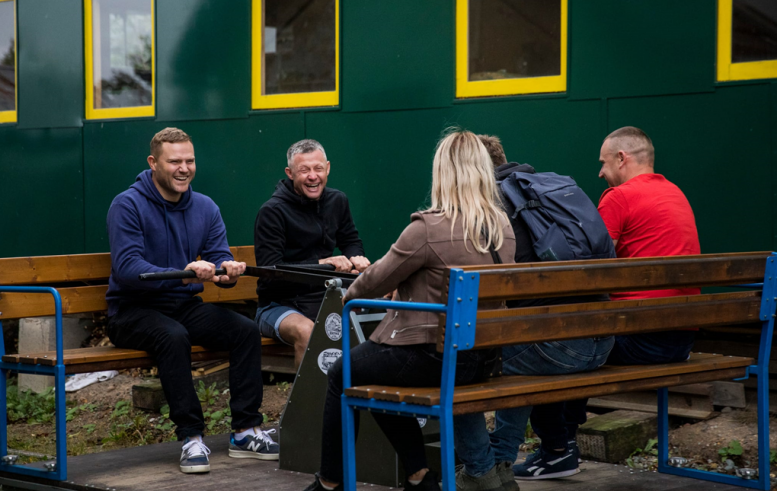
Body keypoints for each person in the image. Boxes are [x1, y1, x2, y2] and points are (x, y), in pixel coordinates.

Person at [303, 130, 517, 491]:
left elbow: (372, 281)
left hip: (437, 357)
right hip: (482, 358)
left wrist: (348, 295)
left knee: (344, 371)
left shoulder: (429, 227)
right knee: (374, 371)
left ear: (442, 173)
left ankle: (329, 483)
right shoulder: (501, 226)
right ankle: (419, 477)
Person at [106, 127, 279, 475]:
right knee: (172, 336)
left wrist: (227, 272)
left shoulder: (205, 207)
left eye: (190, 160)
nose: (184, 168)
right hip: (132, 310)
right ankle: (190, 436)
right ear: (154, 163)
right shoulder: (127, 205)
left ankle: (245, 431)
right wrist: (183, 273)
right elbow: (127, 269)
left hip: (182, 307)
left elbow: (217, 258)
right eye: (174, 162)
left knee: (244, 331)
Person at [468, 135, 613, 482]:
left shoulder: (492, 206)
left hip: (558, 349)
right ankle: (526, 454)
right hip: (603, 340)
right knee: (521, 340)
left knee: (468, 363)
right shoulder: (545, 192)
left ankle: (490, 465)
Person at [253, 139, 370, 367]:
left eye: (318, 168)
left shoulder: (338, 200)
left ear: (327, 168)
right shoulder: (272, 212)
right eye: (304, 170)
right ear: (290, 173)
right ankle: (306, 403)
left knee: (380, 315)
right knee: (307, 331)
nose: (312, 176)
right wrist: (323, 263)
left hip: (325, 299)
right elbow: (271, 272)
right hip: (278, 305)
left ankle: (354, 400)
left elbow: (351, 241)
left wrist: (356, 257)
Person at [597, 126, 701, 364]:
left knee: (561, 351)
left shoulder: (619, 197)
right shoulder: (675, 193)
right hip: (681, 343)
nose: (601, 173)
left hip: (637, 340)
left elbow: (593, 268)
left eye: (603, 163)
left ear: (621, 158)